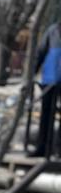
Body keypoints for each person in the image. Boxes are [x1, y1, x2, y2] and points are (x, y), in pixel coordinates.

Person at [31, 21, 61, 158]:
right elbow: (41, 51)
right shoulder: (52, 30)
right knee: (46, 115)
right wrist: (33, 71)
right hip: (50, 79)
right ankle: (42, 147)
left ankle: (58, 149)